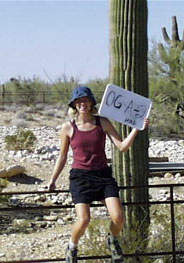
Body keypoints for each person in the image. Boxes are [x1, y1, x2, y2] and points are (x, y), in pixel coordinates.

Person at [48, 86, 149, 263]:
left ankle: (112, 240)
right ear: (74, 105)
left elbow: (122, 146)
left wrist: (137, 128)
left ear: (92, 103)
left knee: (118, 217)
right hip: (80, 177)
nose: (83, 104)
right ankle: (72, 247)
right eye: (79, 101)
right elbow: (62, 156)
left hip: (103, 176)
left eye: (86, 100)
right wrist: (52, 180)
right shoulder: (67, 128)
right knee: (84, 219)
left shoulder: (102, 122)